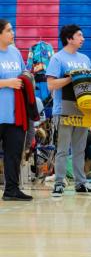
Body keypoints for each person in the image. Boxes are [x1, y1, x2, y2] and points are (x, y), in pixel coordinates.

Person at [47, 24, 91, 197]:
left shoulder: (85, 58)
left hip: (82, 110)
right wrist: (70, 78)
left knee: (79, 149)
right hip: (64, 110)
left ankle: (80, 183)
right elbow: (51, 85)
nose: (83, 38)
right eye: (79, 35)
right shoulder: (57, 59)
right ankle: (59, 183)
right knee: (62, 149)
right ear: (69, 38)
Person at [0, 19, 33, 201]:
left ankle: (11, 190)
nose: (13, 33)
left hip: (14, 116)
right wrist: (7, 83)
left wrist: (27, 77)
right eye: (8, 30)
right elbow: (11, 81)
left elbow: (24, 73)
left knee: (13, 155)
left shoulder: (15, 52)